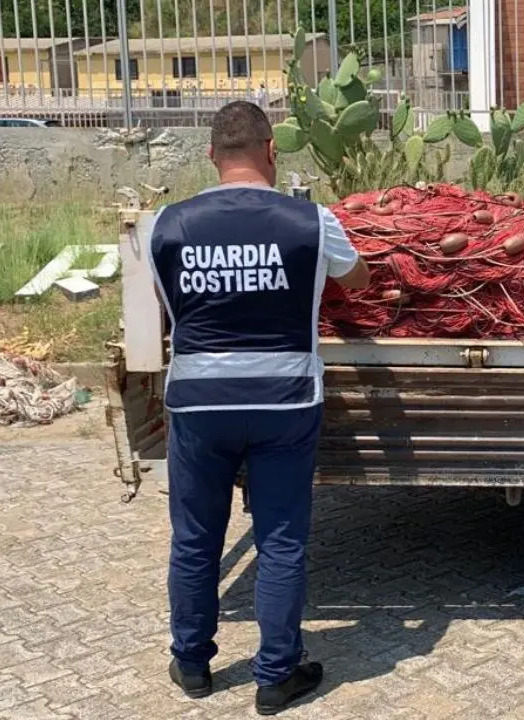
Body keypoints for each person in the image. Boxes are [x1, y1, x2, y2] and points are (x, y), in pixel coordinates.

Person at [150, 100, 370, 715]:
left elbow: (164, 307)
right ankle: (276, 677)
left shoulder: (167, 225)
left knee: (195, 539)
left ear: (212, 155)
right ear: (273, 151)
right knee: (280, 539)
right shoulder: (310, 219)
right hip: (285, 403)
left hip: (197, 406)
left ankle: (192, 664)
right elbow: (356, 281)